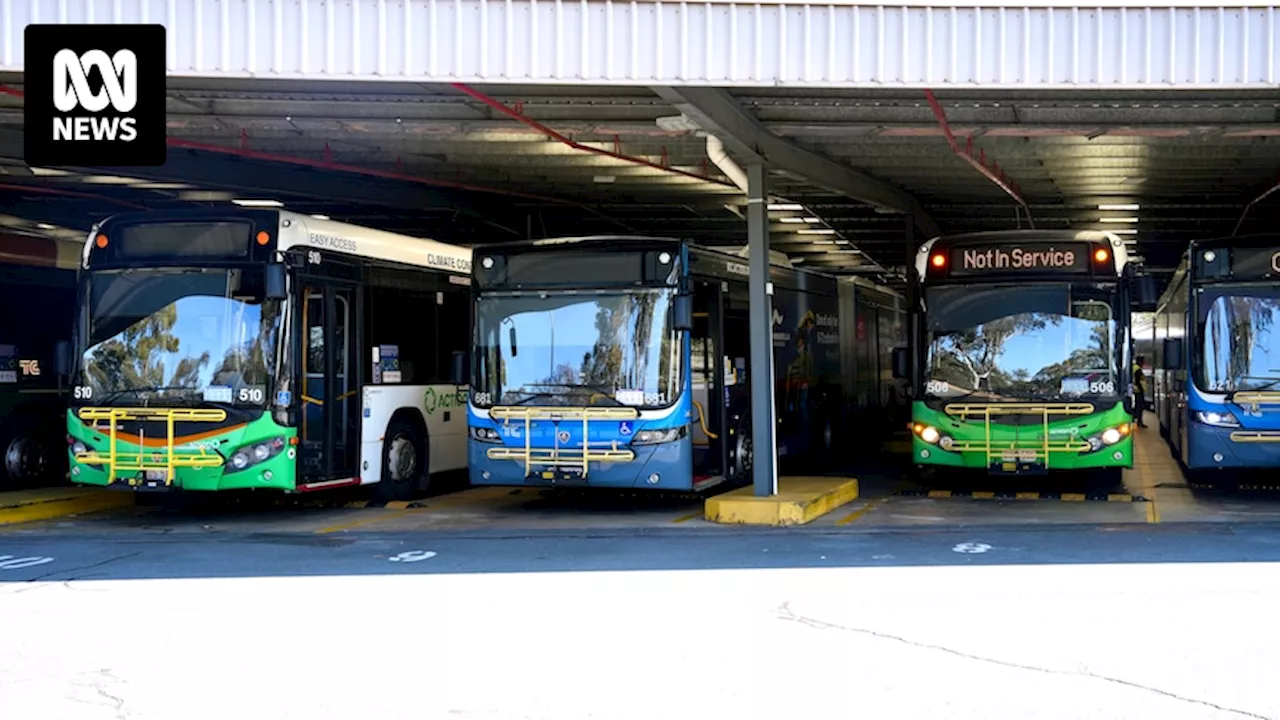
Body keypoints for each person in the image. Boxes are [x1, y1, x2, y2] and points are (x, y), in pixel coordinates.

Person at [1132, 356, 1148, 427]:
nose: (1143, 363)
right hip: (1138, 390)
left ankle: (1136, 420)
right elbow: (1138, 381)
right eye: (1143, 361)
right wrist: (1141, 388)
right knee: (1139, 406)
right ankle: (1139, 421)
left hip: (1135, 389)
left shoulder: (1134, 367)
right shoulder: (1137, 369)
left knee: (1137, 406)